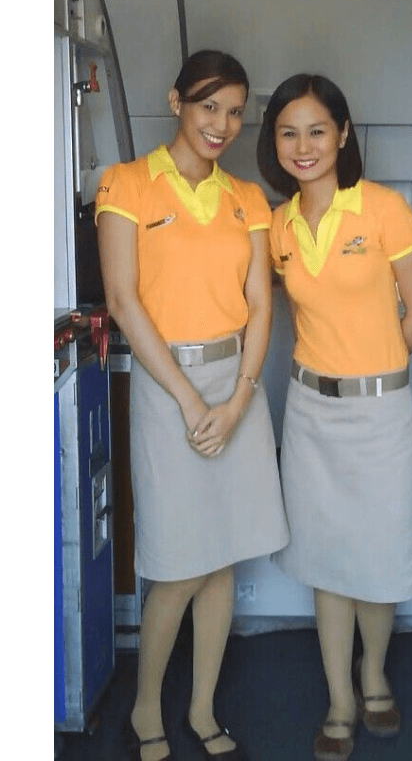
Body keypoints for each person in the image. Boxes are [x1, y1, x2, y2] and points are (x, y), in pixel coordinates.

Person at [96, 50, 289, 761]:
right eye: (210, 106)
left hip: (234, 385)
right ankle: (147, 709)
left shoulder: (248, 199)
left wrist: (240, 400)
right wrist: (185, 398)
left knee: (223, 560)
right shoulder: (129, 185)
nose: (223, 124)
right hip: (164, 386)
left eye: (236, 111)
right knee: (180, 563)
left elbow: (262, 304)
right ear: (177, 100)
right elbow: (123, 300)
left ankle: (203, 709)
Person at [256, 74, 412, 761]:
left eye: (317, 130)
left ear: (344, 133)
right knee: (328, 559)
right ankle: (338, 698)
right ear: (276, 142)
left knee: (380, 551)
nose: (304, 146)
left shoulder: (385, 210)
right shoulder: (277, 225)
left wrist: (375, 365)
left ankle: (373, 673)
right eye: (288, 132)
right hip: (308, 412)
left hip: (382, 411)